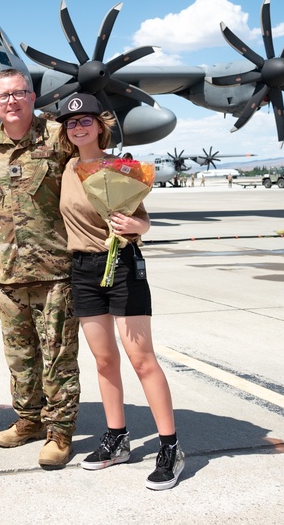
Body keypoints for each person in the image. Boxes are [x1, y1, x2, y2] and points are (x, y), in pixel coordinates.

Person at [55, 92, 184, 490]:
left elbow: (142, 222)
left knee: (141, 358)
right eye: (71, 123)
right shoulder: (68, 168)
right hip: (83, 270)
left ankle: (170, 448)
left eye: (85, 120)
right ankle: (117, 439)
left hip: (123, 266)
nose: (78, 127)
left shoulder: (120, 167)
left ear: (100, 125)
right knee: (105, 360)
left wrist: (135, 229)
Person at [0, 68, 80, 469]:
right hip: (8, 270)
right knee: (20, 355)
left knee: (57, 355)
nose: (11, 101)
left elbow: (94, 169)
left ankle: (60, 431)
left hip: (54, 267)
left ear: (32, 96)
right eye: (3, 96)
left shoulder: (59, 136)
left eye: (18, 93)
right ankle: (28, 420)